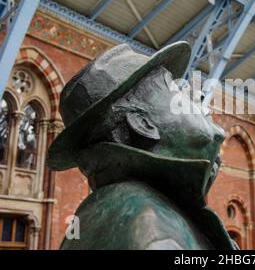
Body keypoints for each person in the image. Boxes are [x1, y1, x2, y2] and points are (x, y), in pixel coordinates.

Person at [47, 42, 236, 249]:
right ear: (143, 124)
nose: (199, 96)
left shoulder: (142, 206)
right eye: (176, 90)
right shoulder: (148, 224)